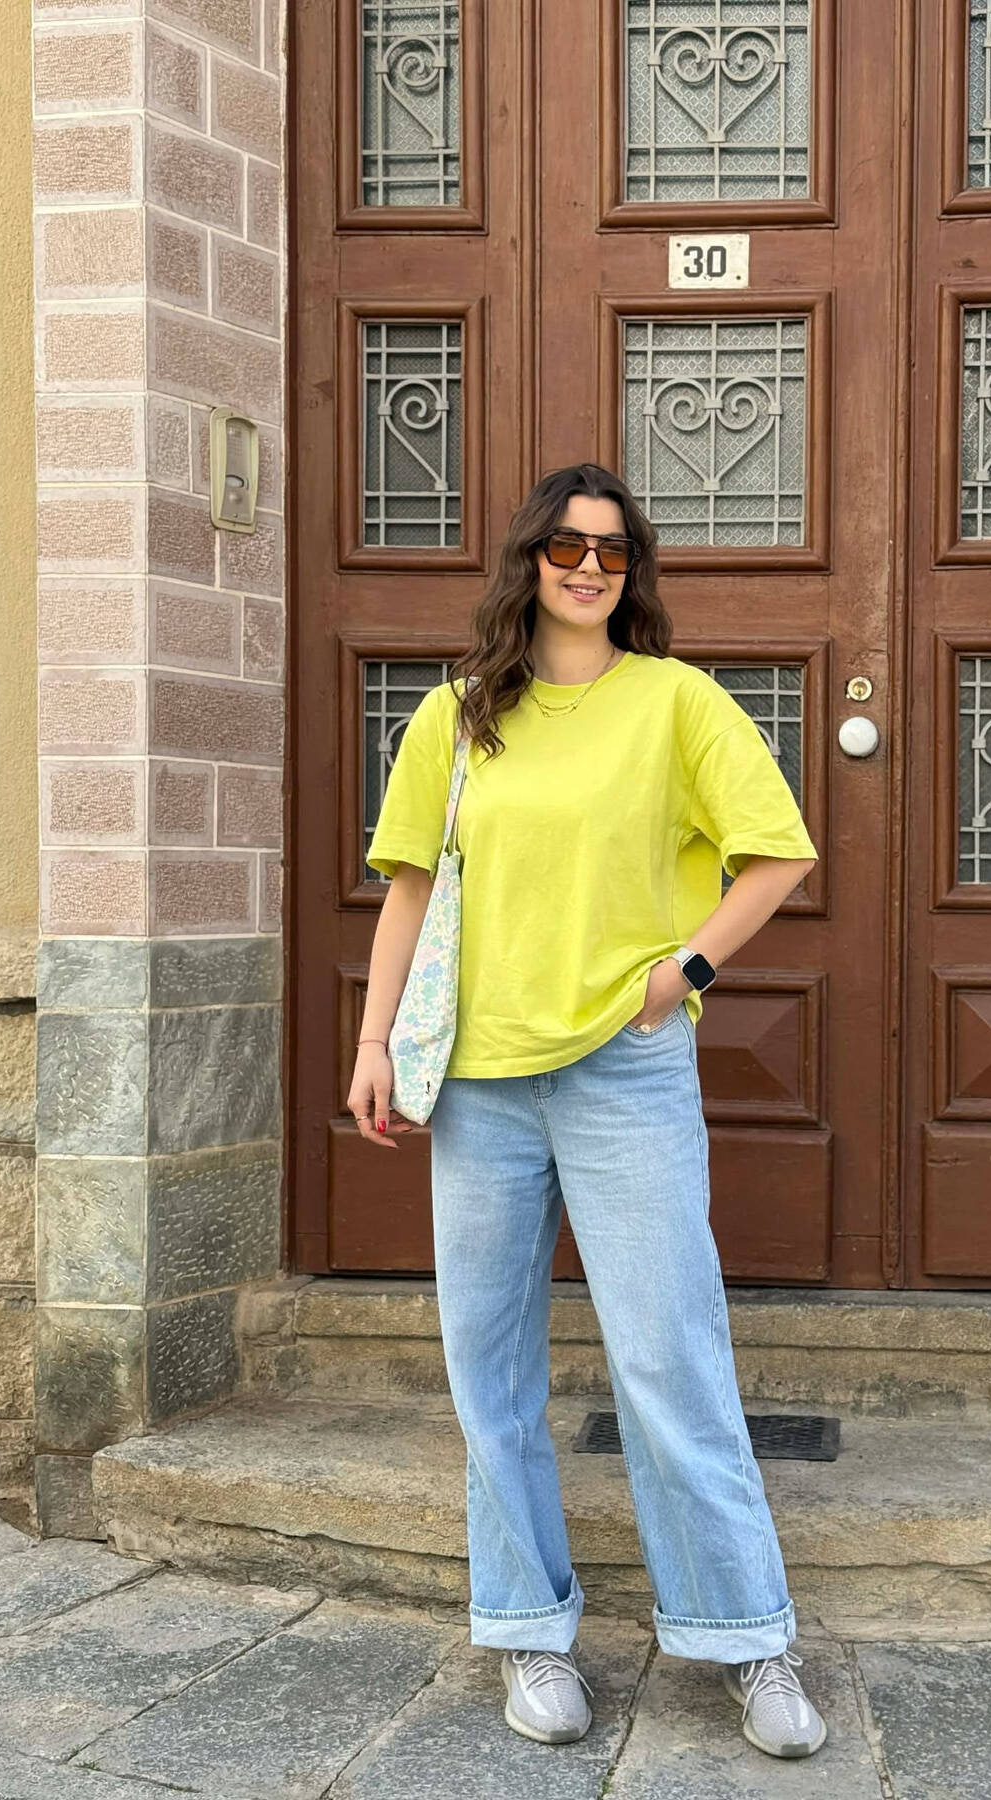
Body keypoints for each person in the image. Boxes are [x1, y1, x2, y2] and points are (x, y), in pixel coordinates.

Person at [348, 462, 826, 1760]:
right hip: (480, 1081)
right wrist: (374, 1040)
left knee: (671, 1354)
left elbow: (778, 852)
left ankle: (747, 1635)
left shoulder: (676, 702)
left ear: (633, 572)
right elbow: (408, 888)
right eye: (565, 546)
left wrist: (687, 971)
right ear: (528, 559)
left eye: (612, 551)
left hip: (627, 1067)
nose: (588, 568)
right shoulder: (457, 716)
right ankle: (527, 1631)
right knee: (489, 1364)